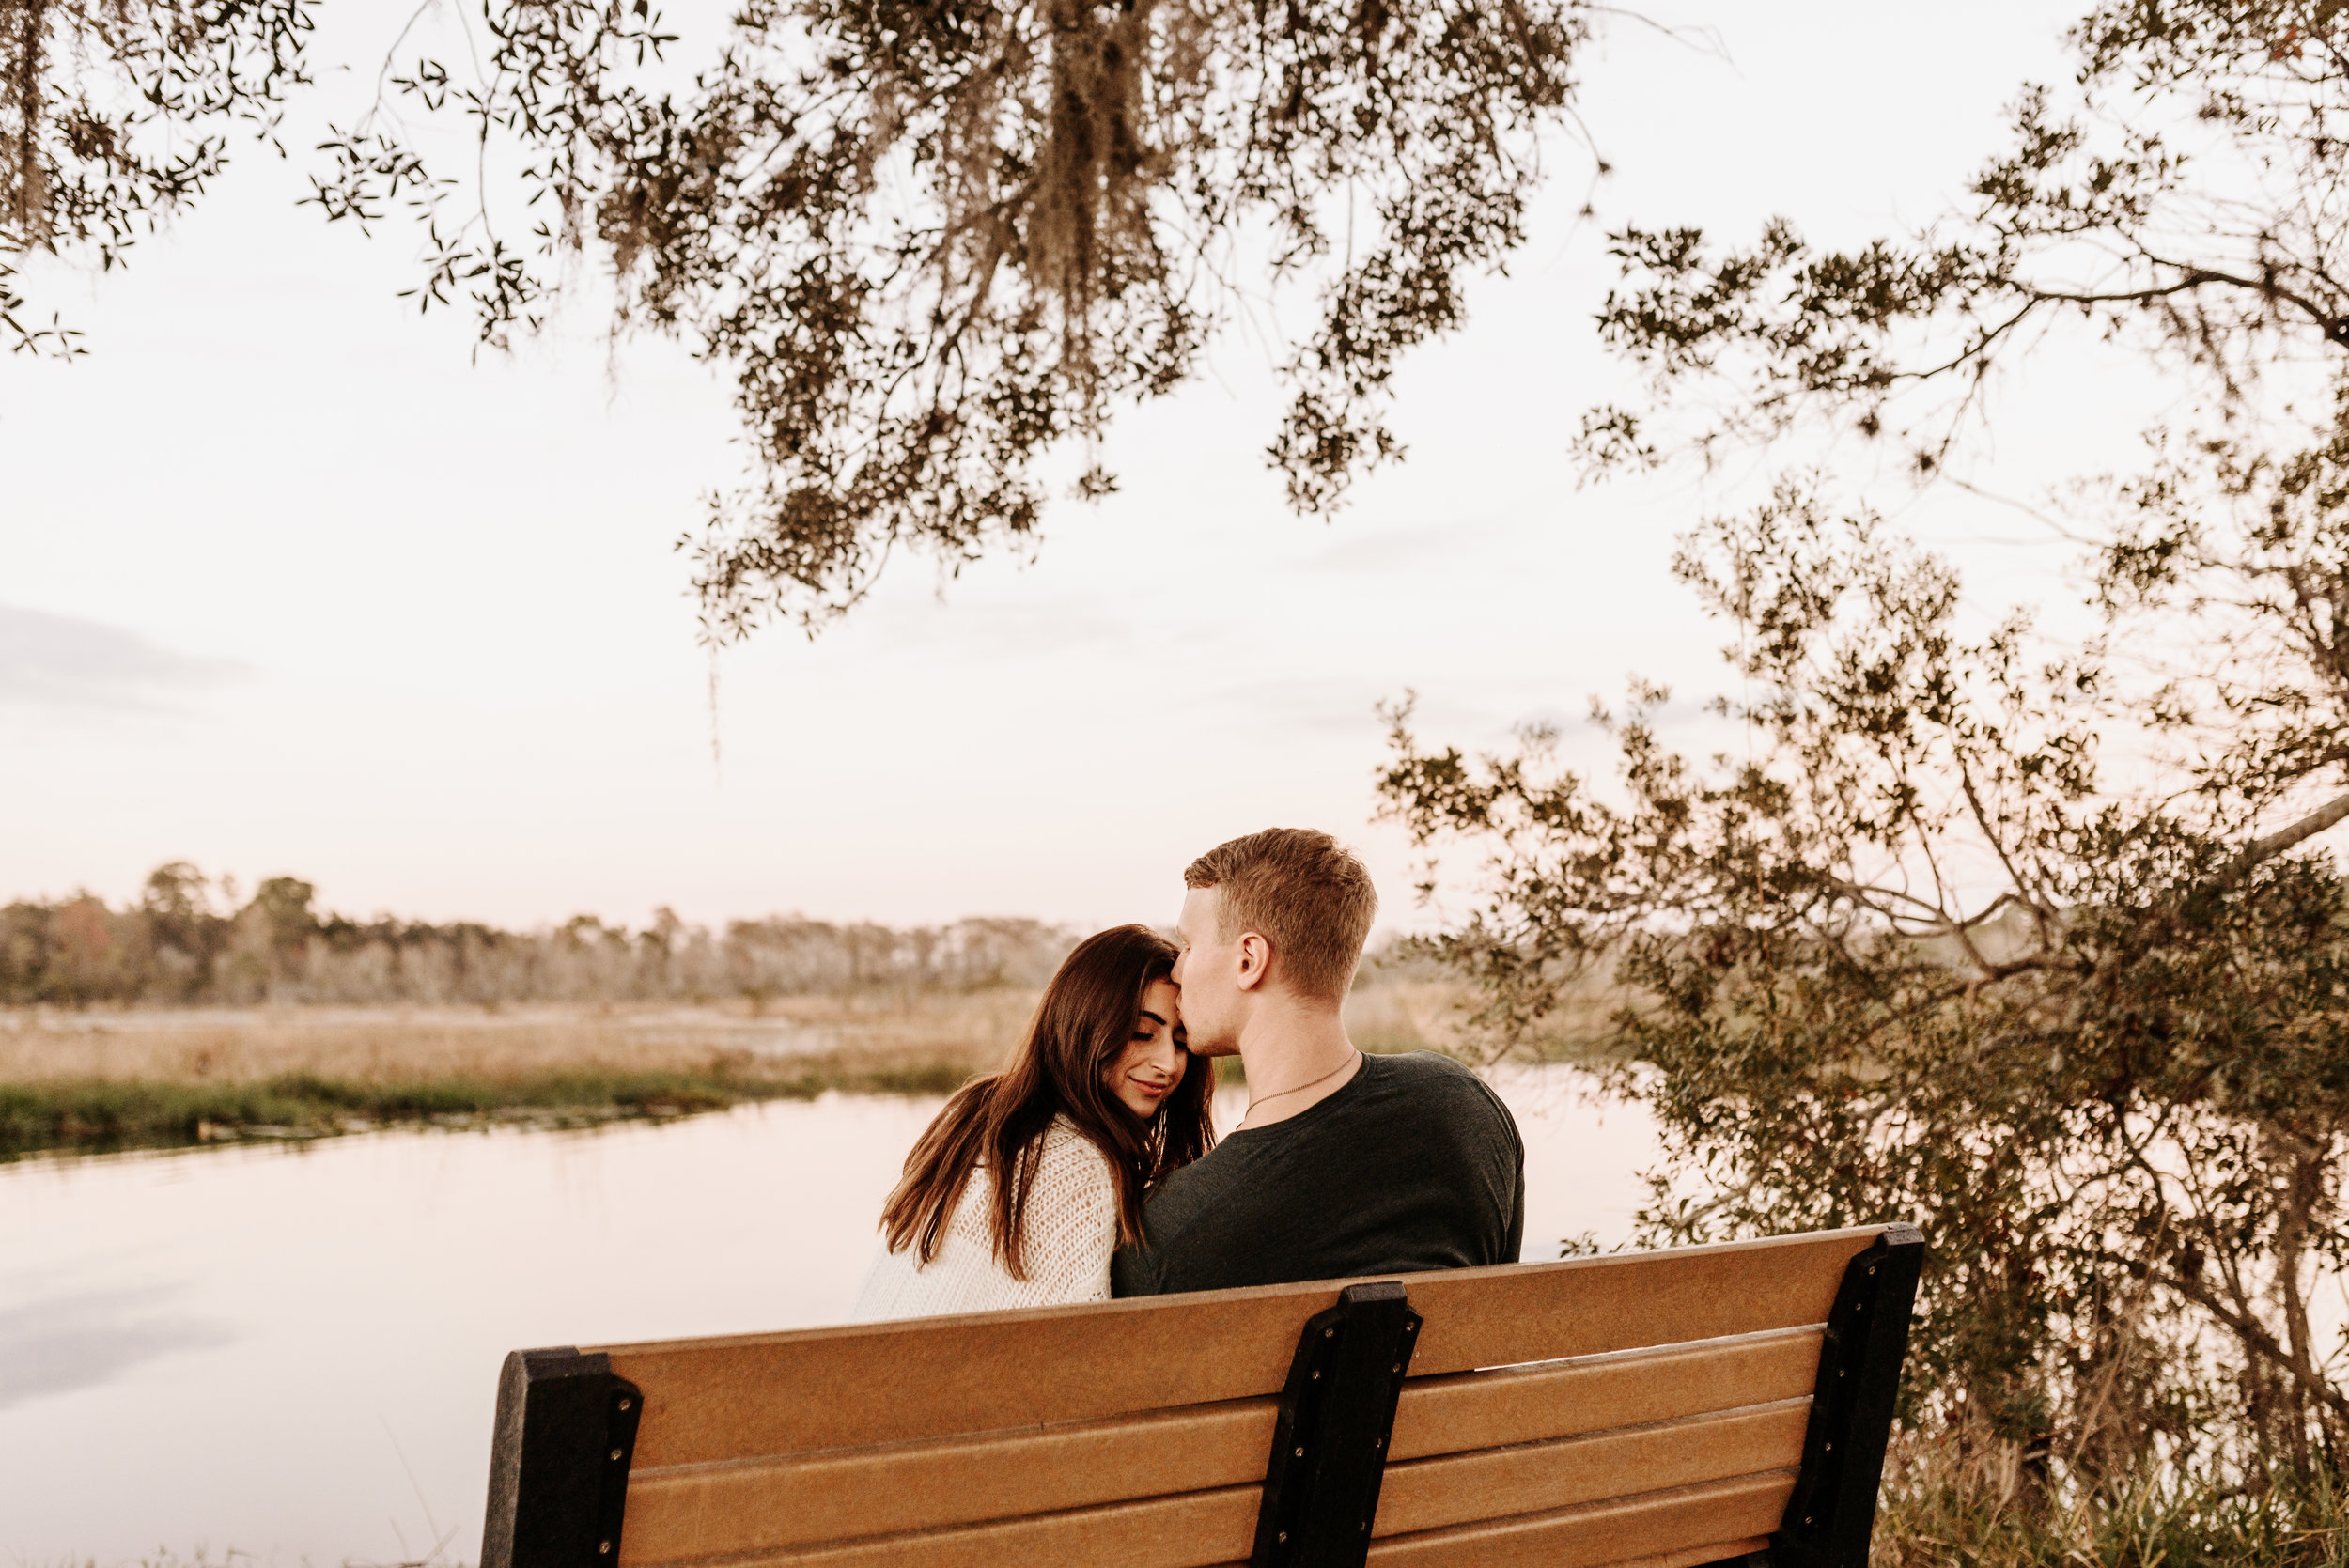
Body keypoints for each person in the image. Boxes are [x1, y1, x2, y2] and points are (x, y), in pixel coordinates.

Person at [1112, 829, 1524, 1296]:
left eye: (1189, 944)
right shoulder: (1464, 1105)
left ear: (1249, 960)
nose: (1178, 969)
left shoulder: (1165, 1237)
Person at [852, 924, 1215, 1318]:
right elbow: (1076, 1343)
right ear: (1085, 1027)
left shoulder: (980, 1115)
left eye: (1180, 1042)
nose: (1168, 1062)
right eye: (1143, 1033)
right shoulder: (1077, 1163)